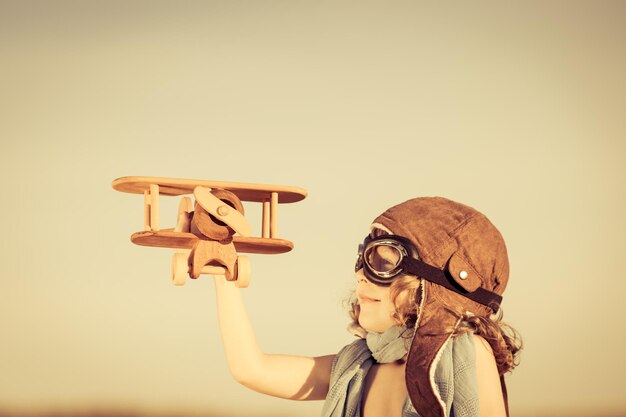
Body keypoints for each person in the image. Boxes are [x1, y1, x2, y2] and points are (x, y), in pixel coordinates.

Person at [213, 196, 522, 417]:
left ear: (438, 289)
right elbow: (251, 370)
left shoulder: (469, 354)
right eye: (362, 259)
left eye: (383, 262)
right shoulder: (358, 364)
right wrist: (222, 268)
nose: (361, 275)